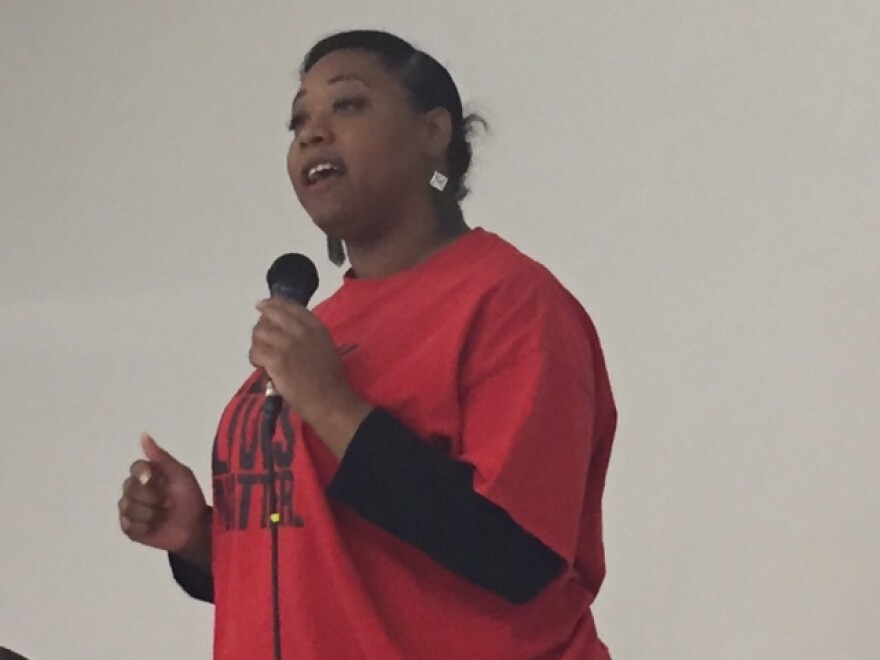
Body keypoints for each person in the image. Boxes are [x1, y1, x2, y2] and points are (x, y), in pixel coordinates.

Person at [118, 29, 617, 659]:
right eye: (298, 120)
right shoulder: (319, 328)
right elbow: (333, 573)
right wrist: (199, 538)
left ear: (435, 133)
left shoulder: (512, 303)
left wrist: (329, 404)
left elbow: (514, 554)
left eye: (347, 105)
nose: (311, 133)